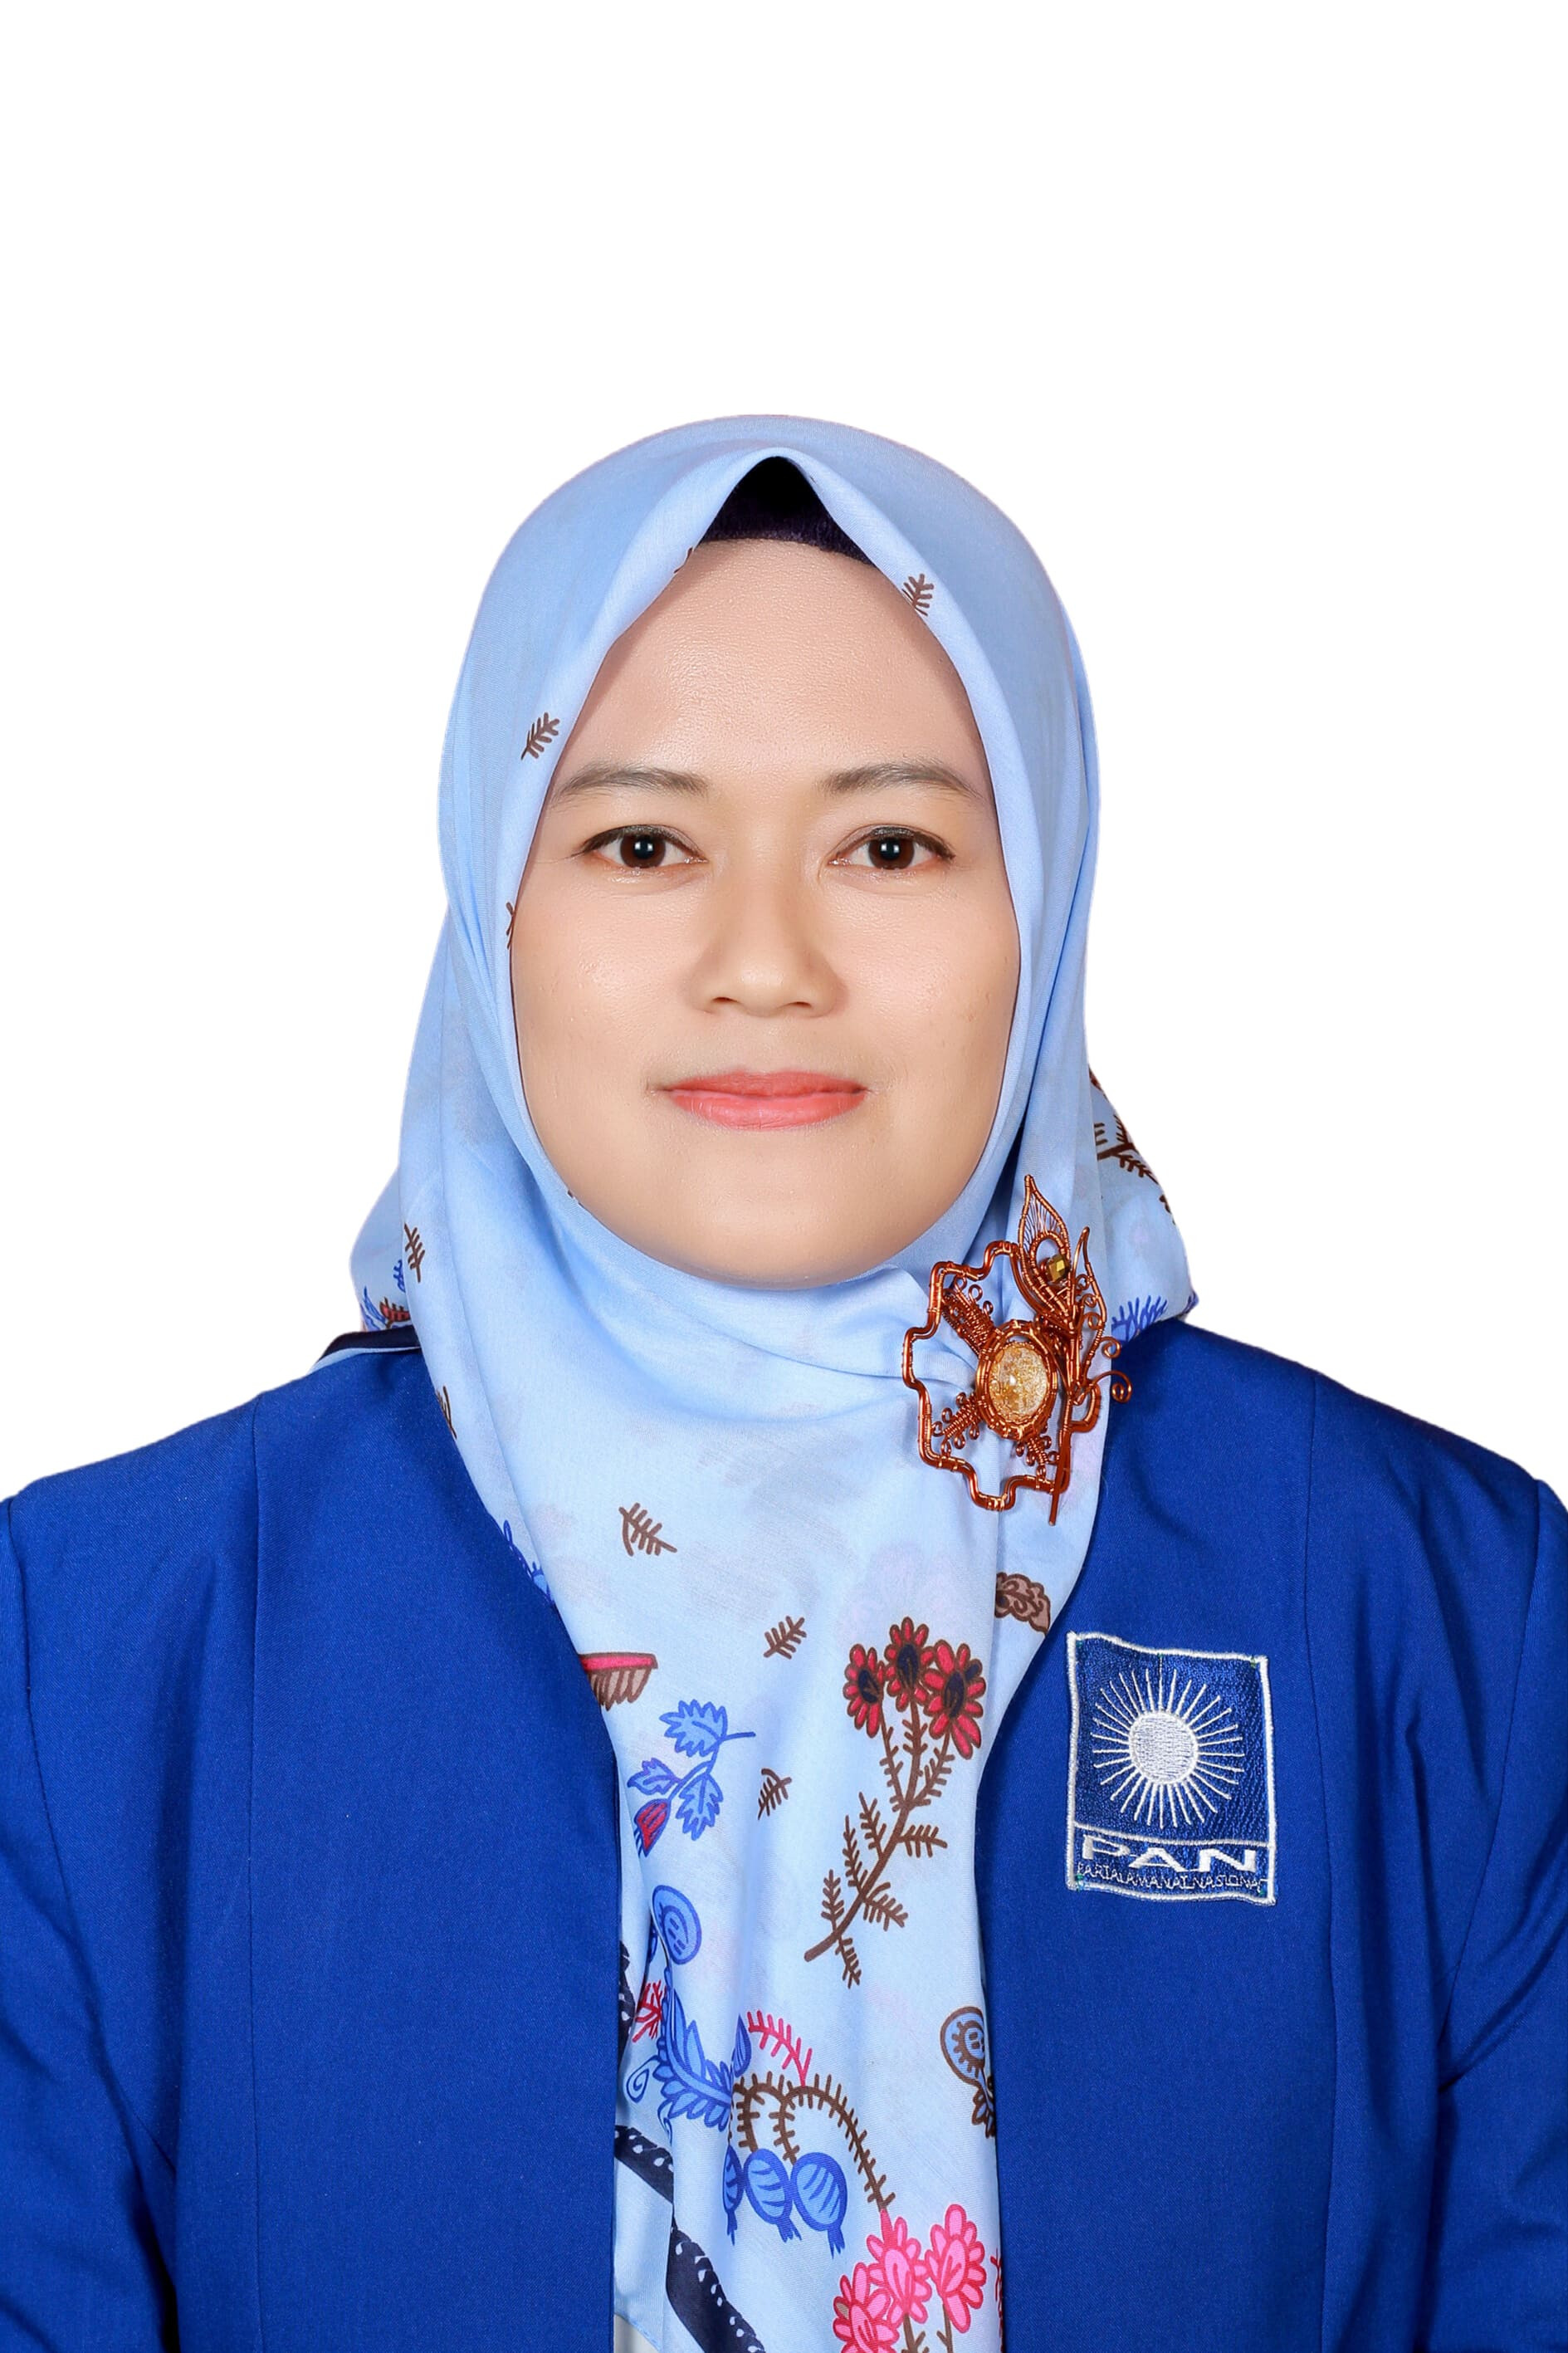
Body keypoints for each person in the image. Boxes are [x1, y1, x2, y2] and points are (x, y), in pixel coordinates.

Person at [1, 418, 1561, 2353]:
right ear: (493, 899)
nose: (765, 962)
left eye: (890, 845)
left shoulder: (1436, 1604)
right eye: (642, 843)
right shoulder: (94, 1641)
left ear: (1046, 894)